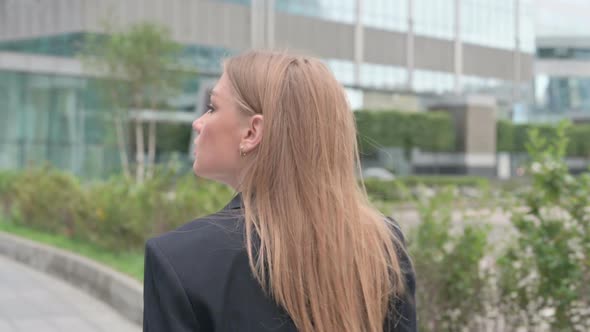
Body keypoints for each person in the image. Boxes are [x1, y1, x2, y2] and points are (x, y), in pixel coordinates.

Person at [143, 50, 416, 332]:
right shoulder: (382, 243)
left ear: (252, 133)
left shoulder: (179, 260)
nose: (197, 123)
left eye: (212, 108)